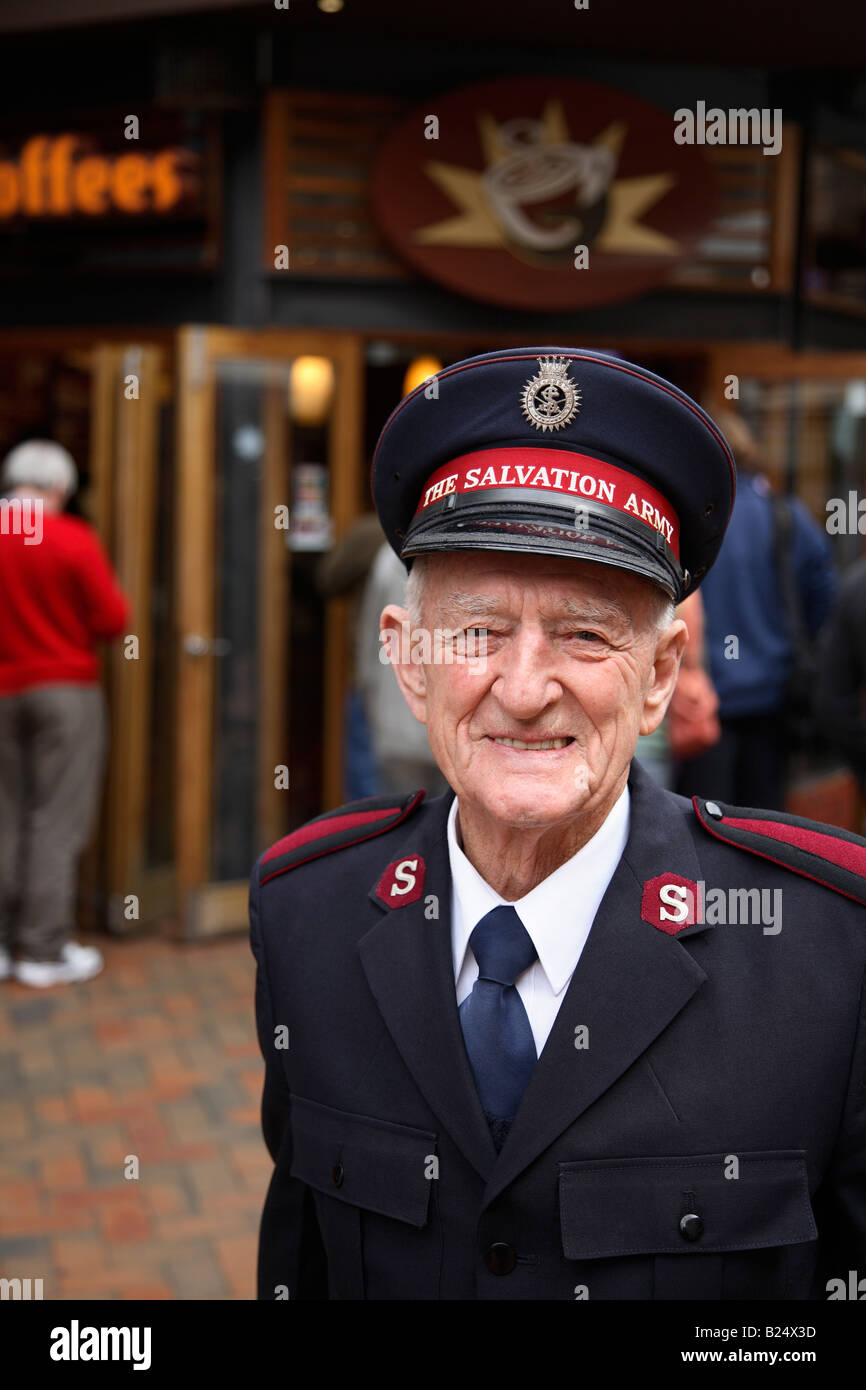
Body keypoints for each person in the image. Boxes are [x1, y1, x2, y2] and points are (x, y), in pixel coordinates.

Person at [250, 348, 866, 1301]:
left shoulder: (828, 953)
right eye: (478, 631)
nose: (527, 690)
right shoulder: (307, 915)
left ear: (661, 674)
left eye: (584, 632)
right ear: (408, 660)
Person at [0, 440, 130, 987]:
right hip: (63, 688)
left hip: (3, 689)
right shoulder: (71, 538)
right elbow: (112, 617)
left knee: (5, 812)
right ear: (58, 489)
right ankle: (41, 948)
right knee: (55, 817)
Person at [676, 413, 836, 810]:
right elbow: (823, 596)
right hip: (774, 699)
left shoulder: (689, 520)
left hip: (702, 704)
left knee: (702, 829)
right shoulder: (786, 515)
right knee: (762, 829)